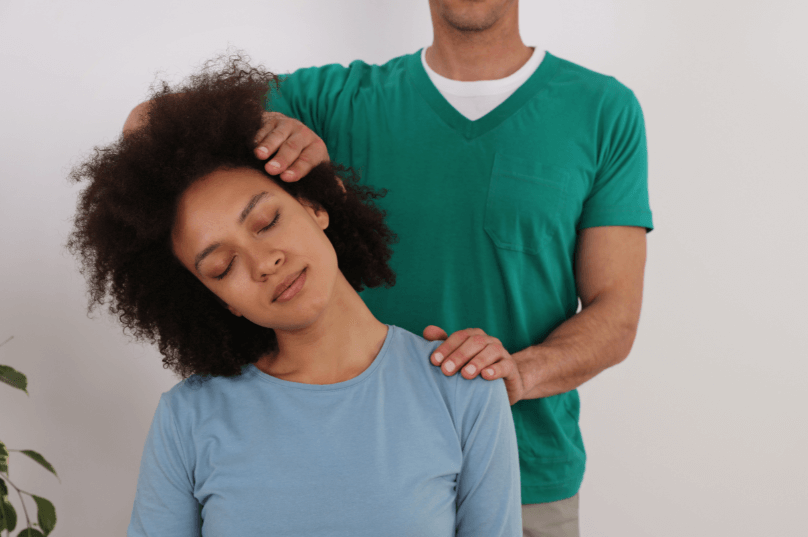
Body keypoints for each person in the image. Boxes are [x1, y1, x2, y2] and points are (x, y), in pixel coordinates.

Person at [240, 1, 653, 534]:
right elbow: (145, 126)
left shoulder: (603, 110)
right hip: (359, 470)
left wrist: (511, 376)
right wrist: (264, 130)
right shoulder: (327, 102)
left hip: (526, 475)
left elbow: (615, 315)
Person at [69, 57, 522, 536]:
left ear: (315, 205)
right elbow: (142, 120)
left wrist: (262, 128)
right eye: (222, 268)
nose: (264, 263)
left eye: (267, 222)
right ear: (220, 300)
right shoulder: (188, 418)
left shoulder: (463, 390)